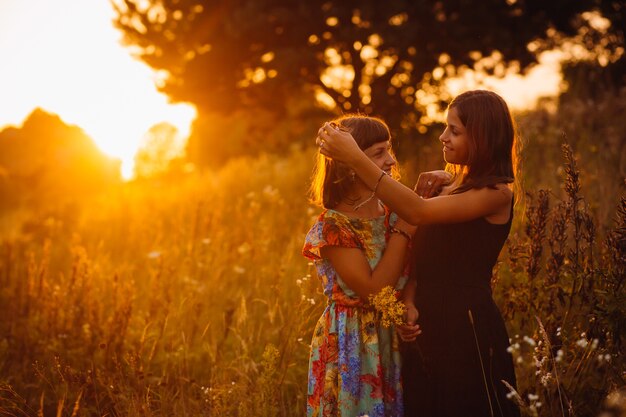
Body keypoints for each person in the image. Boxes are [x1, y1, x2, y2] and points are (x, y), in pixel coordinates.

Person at [317, 90, 520, 417]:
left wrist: (355, 157)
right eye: (445, 127)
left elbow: (415, 213)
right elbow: (420, 261)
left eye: (454, 130)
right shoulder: (446, 188)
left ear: (482, 137)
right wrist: (409, 300)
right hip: (422, 329)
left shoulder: (495, 194)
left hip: (464, 329)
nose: (443, 137)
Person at [303, 114, 417, 417]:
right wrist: (405, 230)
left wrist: (408, 301)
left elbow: (417, 269)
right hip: (353, 344)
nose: (391, 160)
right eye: (378, 153)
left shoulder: (395, 211)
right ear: (349, 165)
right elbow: (373, 290)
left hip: (395, 339)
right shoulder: (334, 226)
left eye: (389, 149)